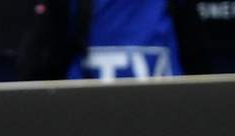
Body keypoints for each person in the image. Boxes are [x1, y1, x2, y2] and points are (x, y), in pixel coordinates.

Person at [18, 0, 211, 81]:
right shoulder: (70, 5)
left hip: (165, 123)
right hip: (87, 125)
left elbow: (198, 63)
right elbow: (38, 68)